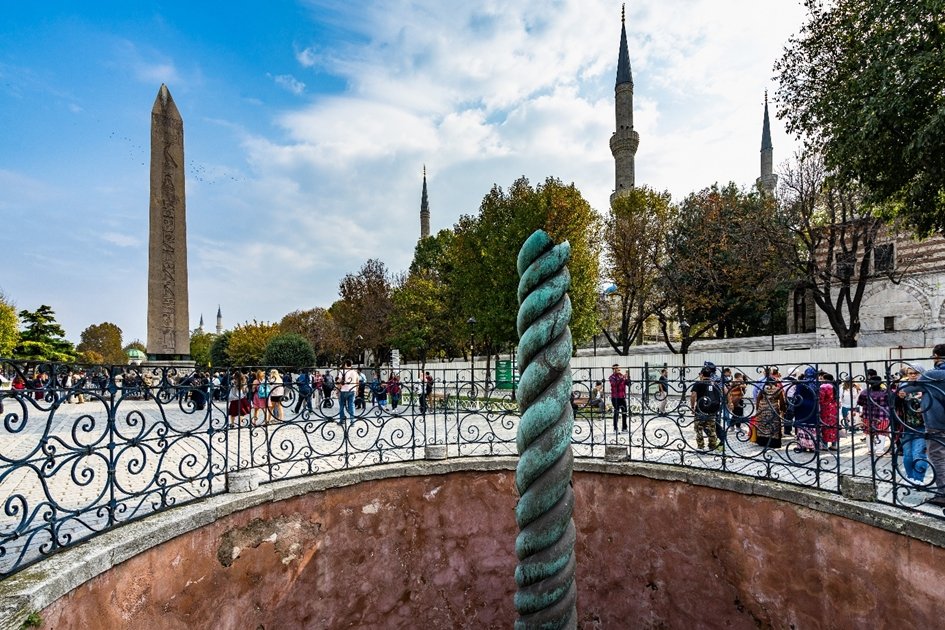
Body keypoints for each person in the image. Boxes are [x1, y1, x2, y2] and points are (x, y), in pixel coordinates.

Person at [901, 345, 945, 506]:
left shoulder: (933, 374)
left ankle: (943, 494)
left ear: (936, 356)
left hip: (937, 423)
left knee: (938, 457)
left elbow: (910, 387)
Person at [895, 366, 928, 483]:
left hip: (922, 425)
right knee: (907, 454)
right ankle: (910, 478)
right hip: (905, 425)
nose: (913, 375)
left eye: (916, 373)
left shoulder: (927, 385)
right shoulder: (903, 386)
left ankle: (918, 479)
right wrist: (898, 397)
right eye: (910, 373)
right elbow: (894, 405)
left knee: (918, 453)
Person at [858, 374, 891, 454]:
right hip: (882, 415)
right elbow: (890, 402)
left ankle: (871, 449)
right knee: (881, 432)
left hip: (868, 415)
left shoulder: (864, 392)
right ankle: (880, 449)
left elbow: (860, 403)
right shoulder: (886, 392)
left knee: (869, 432)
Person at [690, 366, 721, 451]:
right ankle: (712, 446)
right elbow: (720, 394)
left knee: (698, 429)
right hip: (712, 410)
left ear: (702, 374)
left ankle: (700, 447)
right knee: (712, 429)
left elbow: (693, 395)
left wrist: (692, 407)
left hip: (700, 410)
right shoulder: (714, 383)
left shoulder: (698, 383)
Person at [792, 367, 821, 452]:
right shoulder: (817, 384)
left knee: (802, 426)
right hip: (813, 406)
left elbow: (797, 395)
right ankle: (812, 445)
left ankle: (802, 445)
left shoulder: (801, 384)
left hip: (802, 406)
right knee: (812, 425)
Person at [754, 378, 787, 449]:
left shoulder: (763, 388)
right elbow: (782, 402)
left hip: (762, 409)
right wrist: (783, 410)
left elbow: (758, 398)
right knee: (773, 425)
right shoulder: (778, 389)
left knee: (763, 424)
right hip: (773, 409)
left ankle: (762, 441)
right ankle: (773, 443)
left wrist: (757, 409)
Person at [819, 372, 839, 450]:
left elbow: (821, 398)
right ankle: (834, 444)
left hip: (826, 407)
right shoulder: (834, 385)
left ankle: (825, 444)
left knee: (825, 425)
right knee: (833, 425)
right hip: (834, 407)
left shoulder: (824, 386)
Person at [608, 365, 628, 432]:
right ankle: (615, 428)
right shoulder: (611, 377)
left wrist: (627, 378)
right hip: (615, 397)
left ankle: (624, 427)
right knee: (616, 412)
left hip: (622, 397)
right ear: (613, 369)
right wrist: (622, 378)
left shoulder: (621, 376)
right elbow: (614, 385)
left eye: (619, 368)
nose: (618, 369)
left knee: (624, 412)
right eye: (617, 368)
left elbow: (627, 384)